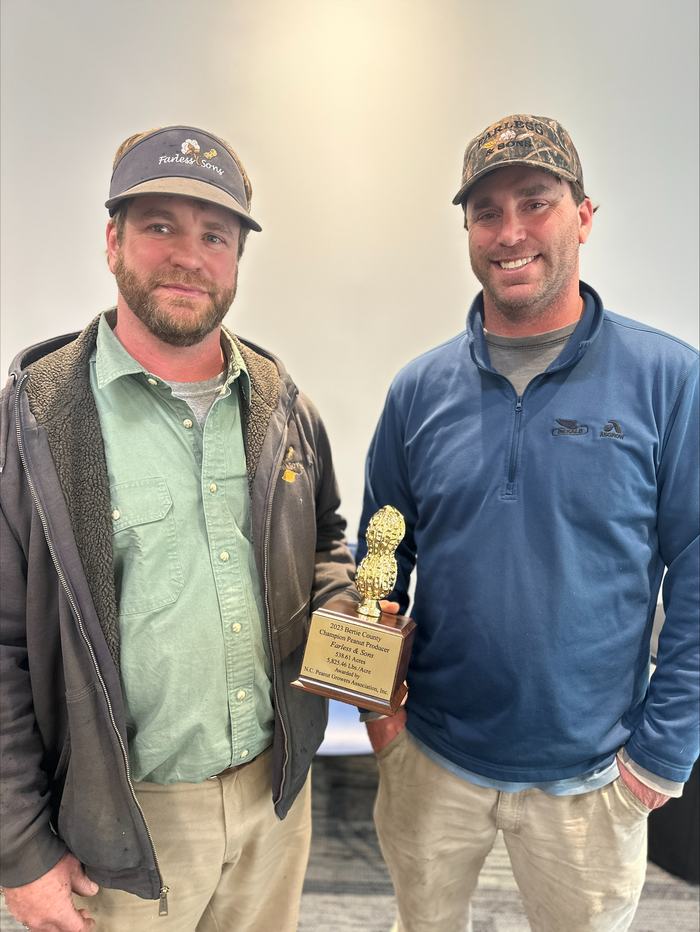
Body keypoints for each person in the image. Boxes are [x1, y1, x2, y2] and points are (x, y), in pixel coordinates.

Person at [0, 124, 356, 931]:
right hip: (123, 827)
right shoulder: (37, 420)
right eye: (159, 225)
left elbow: (325, 538)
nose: (188, 256)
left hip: (274, 805)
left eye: (215, 235)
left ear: (237, 258)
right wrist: (19, 847)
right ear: (112, 239)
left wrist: (346, 618)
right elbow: (3, 646)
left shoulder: (281, 404)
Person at [357, 113, 699, 931]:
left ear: (583, 216)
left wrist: (663, 752)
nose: (510, 233)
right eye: (486, 211)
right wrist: (379, 712)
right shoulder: (418, 390)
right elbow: (381, 556)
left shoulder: (669, 380)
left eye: (536, 202)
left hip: (592, 778)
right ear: (468, 229)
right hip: (432, 759)